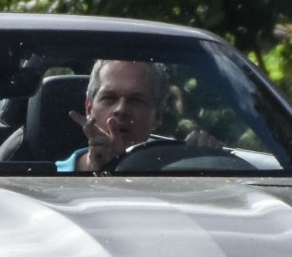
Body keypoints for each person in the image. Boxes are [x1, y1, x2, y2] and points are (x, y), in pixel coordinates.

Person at [55, 59, 222, 172]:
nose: (121, 109)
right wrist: (94, 167)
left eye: (136, 100)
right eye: (109, 98)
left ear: (157, 116)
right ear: (89, 108)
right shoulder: (43, 179)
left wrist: (204, 163)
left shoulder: (176, 174)